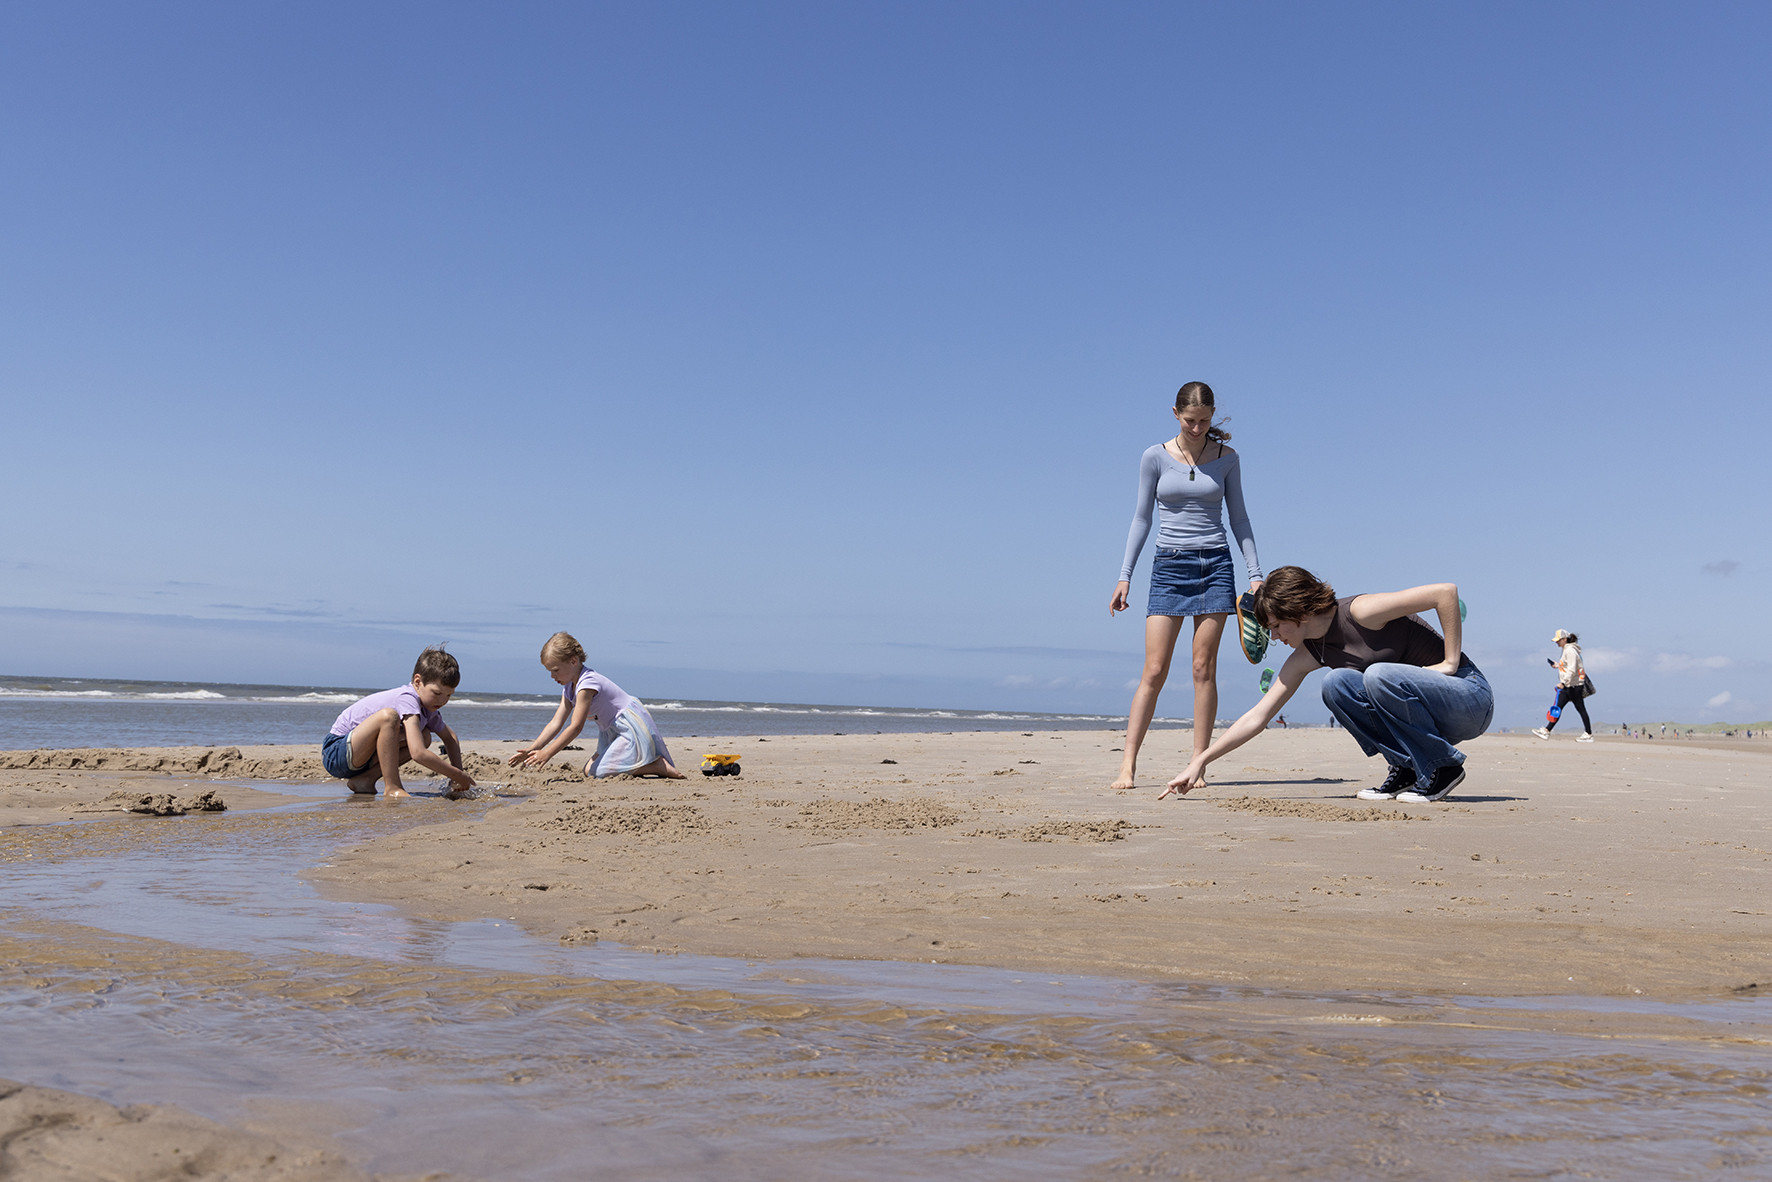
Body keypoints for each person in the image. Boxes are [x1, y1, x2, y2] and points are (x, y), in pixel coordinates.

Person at [1160, 566, 1492, 804]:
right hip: (1425, 718)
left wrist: (1450, 662)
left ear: (1300, 612)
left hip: (1468, 698)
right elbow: (1259, 716)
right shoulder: (1311, 652)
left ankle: (1442, 768)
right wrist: (1200, 761)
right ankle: (1407, 766)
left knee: (1377, 675)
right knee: (1336, 683)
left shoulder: (1361, 612)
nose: (1274, 636)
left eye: (1277, 625)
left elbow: (1444, 593)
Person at [1109, 381, 1263, 789]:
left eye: (1204, 421)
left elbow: (1240, 518)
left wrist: (1256, 574)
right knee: (1154, 669)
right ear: (1175, 413)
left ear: (1212, 417)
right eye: (1190, 421)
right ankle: (1127, 765)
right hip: (1169, 567)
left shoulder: (1227, 459)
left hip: (1215, 566)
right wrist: (1125, 576)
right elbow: (1141, 518)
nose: (1197, 429)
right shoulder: (1154, 457)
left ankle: (1198, 764)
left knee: (1202, 668)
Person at [510, 632, 684, 779]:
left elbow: (576, 727)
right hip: (611, 731)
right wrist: (533, 749)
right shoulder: (569, 688)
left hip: (628, 727)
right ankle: (644, 764)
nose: (552, 676)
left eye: (555, 670)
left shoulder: (587, 684)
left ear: (573, 661)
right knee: (588, 770)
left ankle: (655, 766)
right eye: (550, 671)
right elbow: (556, 723)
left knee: (599, 771)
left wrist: (548, 753)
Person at [322, 645, 476, 798]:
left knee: (424, 736)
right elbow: (418, 753)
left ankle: (366, 779)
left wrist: (458, 776)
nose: (442, 700)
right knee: (388, 717)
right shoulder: (407, 699)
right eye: (437, 693)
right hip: (336, 752)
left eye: (449, 695)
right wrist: (456, 774)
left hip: (363, 760)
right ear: (418, 681)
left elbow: (450, 737)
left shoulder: (429, 710)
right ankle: (392, 787)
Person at [1532, 630, 1593, 742]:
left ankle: (1588, 734)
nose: (1557, 642)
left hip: (1573, 685)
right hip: (1570, 685)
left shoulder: (1570, 651)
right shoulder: (1567, 650)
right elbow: (1567, 666)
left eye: (1558, 640)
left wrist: (1563, 683)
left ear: (1564, 639)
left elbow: (1572, 669)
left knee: (1580, 708)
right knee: (1558, 707)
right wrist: (1558, 665)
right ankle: (1547, 731)